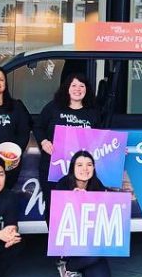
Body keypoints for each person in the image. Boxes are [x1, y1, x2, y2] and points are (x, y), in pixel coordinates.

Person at [34, 73, 99, 220]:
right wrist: (44, 142)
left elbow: (100, 138)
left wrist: (118, 150)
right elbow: (38, 127)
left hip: (82, 171)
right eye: (73, 85)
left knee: (81, 206)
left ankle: (77, 241)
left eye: (81, 86)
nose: (78, 89)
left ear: (86, 90)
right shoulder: (53, 108)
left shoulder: (93, 112)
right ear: (67, 88)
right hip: (52, 167)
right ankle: (56, 241)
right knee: (53, 205)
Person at [54, 150, 114, 277]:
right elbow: (54, 218)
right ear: (72, 168)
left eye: (89, 165)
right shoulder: (63, 184)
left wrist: (90, 200)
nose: (85, 169)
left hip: (89, 242)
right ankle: (67, 267)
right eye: (79, 165)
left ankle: (78, 267)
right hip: (70, 245)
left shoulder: (97, 185)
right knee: (93, 254)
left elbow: (106, 217)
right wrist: (73, 201)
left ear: (94, 168)